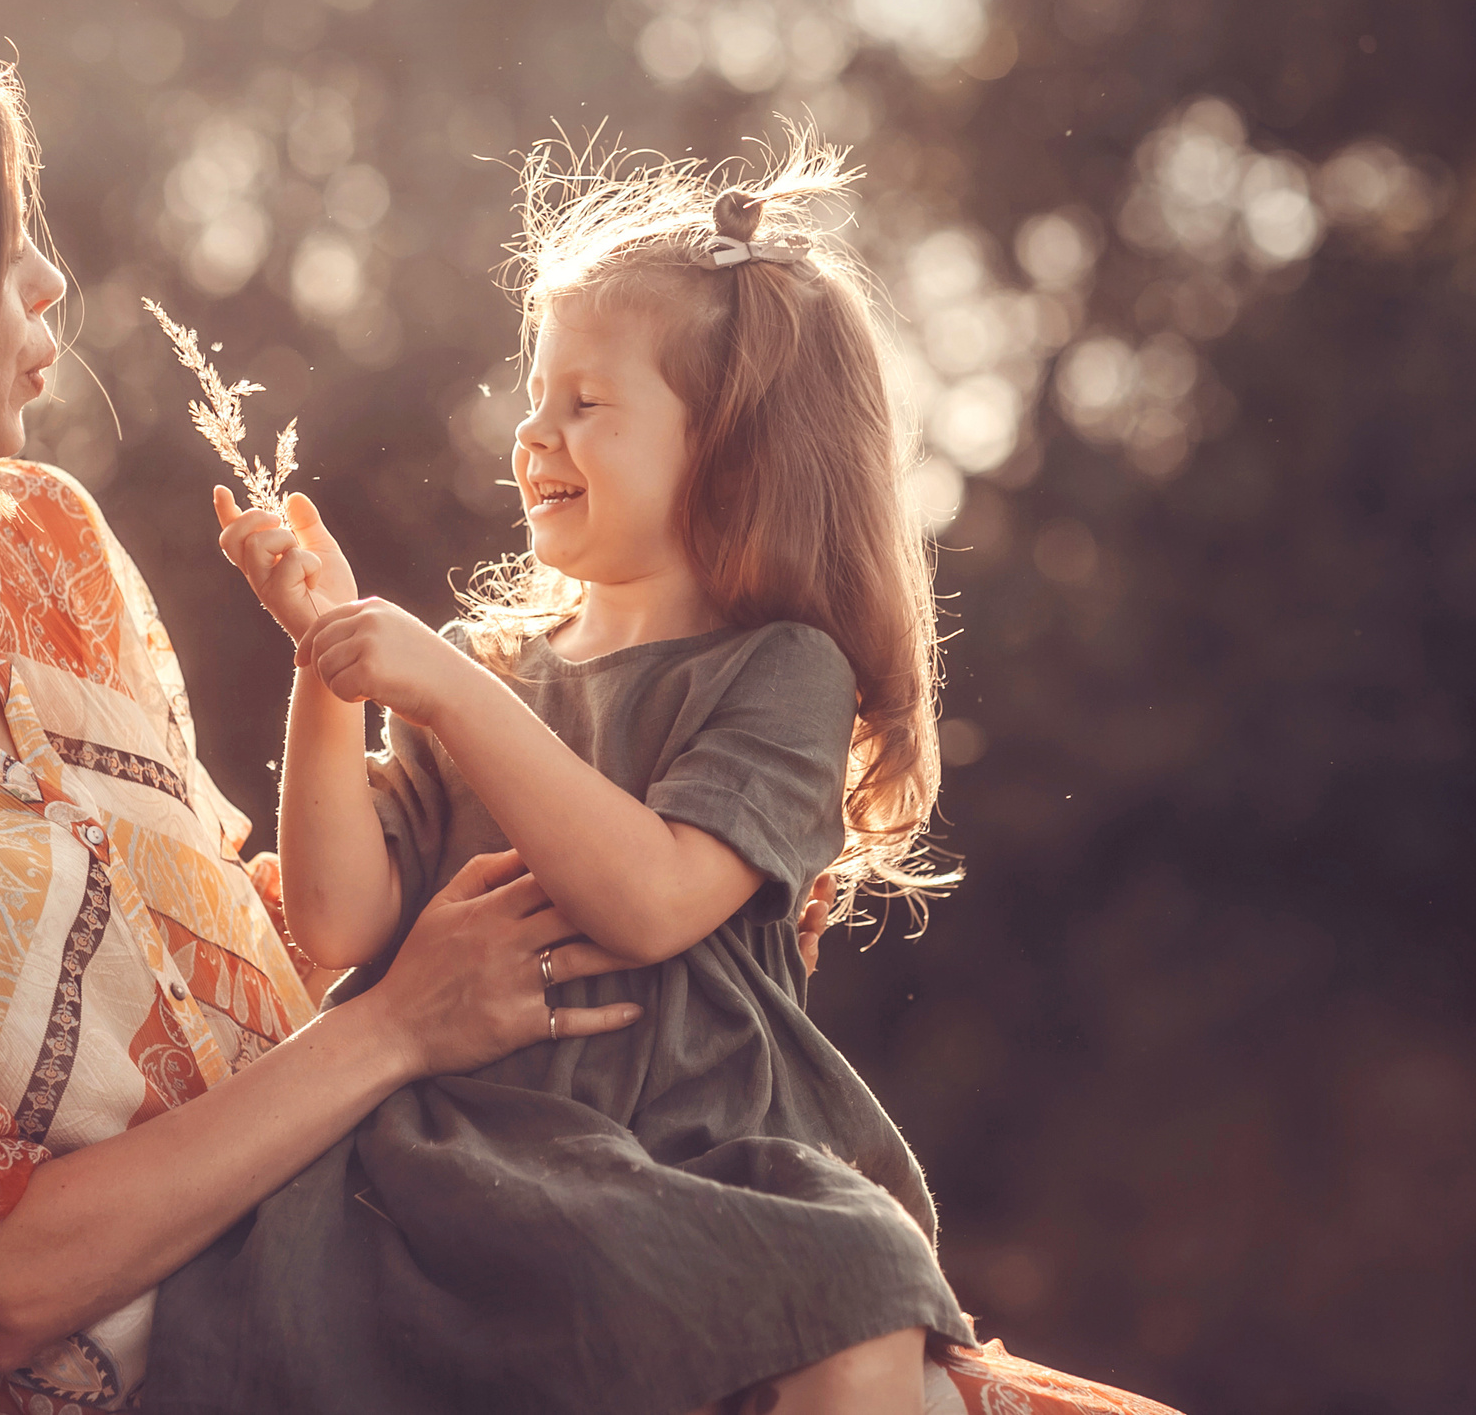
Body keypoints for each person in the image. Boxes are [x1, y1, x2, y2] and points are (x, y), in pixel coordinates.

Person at [0, 0, 1178, 1415]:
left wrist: (567, 926)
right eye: (0, 241)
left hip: (448, 1210)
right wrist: (400, 1027)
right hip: (214, 1356)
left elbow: (250, 926)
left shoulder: (36, 538)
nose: (52, 286)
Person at [162, 136, 965, 1415]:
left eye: (586, 403)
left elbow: (647, 900)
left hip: (701, 1156)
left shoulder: (780, 671)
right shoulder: (489, 671)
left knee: (862, 1277)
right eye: (534, 397)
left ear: (732, 447)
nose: (532, 433)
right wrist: (329, 661)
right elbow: (338, 921)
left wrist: (443, 687)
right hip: (479, 1158)